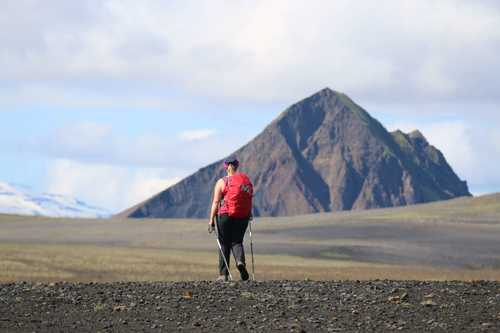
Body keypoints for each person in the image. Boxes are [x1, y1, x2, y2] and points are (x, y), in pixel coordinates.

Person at [208, 158, 253, 281]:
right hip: (243, 216)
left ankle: (223, 275)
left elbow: (216, 202)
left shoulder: (222, 182)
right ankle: (240, 262)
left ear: (226, 167)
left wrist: (211, 220)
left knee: (224, 243)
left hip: (225, 215)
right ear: (236, 167)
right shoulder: (245, 182)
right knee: (237, 241)